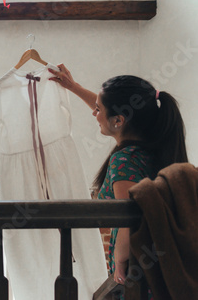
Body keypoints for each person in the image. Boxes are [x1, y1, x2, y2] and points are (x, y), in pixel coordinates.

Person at [48, 64, 188, 296]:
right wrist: (74, 87)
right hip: (159, 266)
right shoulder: (154, 148)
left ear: (119, 120)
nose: (95, 114)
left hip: (137, 270)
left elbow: (129, 217)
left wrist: (120, 261)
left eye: (98, 109)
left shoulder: (124, 160)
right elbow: (116, 113)